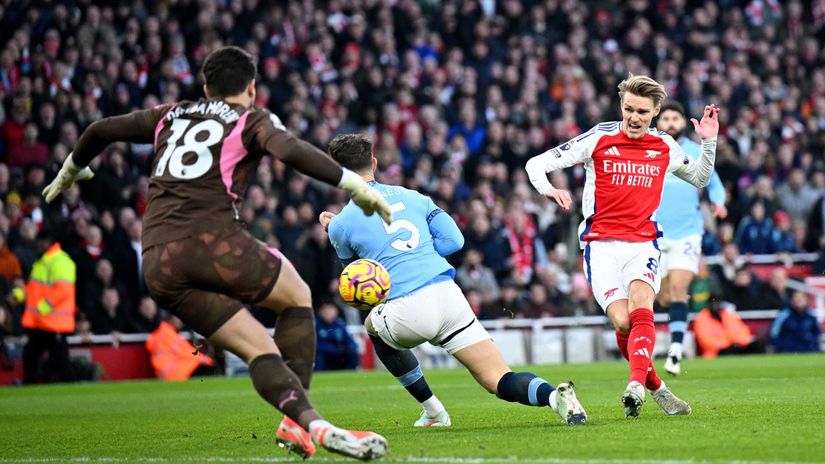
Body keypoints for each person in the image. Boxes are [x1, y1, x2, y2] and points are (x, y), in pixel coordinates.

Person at [40, 46, 392, 461]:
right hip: (214, 242)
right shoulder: (250, 118)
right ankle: (298, 423)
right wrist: (354, 185)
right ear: (252, 88)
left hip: (156, 260)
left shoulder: (170, 115)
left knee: (259, 347)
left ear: (206, 88)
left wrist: (69, 171)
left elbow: (100, 129)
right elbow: (290, 150)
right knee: (296, 296)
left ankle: (312, 425)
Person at [320, 134, 587, 427]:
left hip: (406, 310)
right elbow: (455, 240)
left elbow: (358, 284)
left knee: (371, 325)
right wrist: (419, 254)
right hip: (448, 295)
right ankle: (555, 397)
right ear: (374, 163)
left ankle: (434, 411)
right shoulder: (415, 197)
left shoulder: (341, 224)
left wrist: (332, 228)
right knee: (498, 378)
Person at [525, 74, 720, 418]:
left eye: (642, 112)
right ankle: (657, 388)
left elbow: (701, 179)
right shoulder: (599, 138)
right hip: (600, 245)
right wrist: (548, 190)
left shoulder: (664, 146)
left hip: (643, 241)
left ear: (656, 111)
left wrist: (708, 142)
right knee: (623, 323)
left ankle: (635, 386)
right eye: (628, 108)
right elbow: (536, 163)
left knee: (642, 303)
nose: (633, 117)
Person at [654, 100, 727, 376]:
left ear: (683, 122)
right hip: (654, 233)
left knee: (678, 291)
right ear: (658, 122)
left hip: (688, 232)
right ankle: (667, 340)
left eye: (675, 118)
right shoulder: (651, 149)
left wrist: (718, 202)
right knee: (659, 296)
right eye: (666, 118)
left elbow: (714, 182)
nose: (670, 122)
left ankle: (674, 351)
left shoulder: (696, 150)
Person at [20, 231, 77, 384]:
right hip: (43, 321)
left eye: (39, 242)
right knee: (31, 356)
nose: (37, 246)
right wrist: (18, 295)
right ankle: (29, 385)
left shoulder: (60, 261)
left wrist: (43, 308)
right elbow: (34, 289)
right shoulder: (42, 262)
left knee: (59, 360)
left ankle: (71, 387)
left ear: (47, 242)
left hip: (54, 321)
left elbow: (63, 290)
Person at [145, 314, 217, 381]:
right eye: (179, 318)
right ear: (171, 319)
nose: (181, 322)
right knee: (209, 370)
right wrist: (205, 359)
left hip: (168, 371)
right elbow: (186, 353)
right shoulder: (167, 335)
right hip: (175, 372)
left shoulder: (165, 333)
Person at [315, 303, 360, 371]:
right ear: (321, 312)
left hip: (340, 352)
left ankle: (352, 372)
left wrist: (349, 348)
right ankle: (319, 373)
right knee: (318, 354)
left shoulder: (340, 324)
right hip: (326, 353)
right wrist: (334, 349)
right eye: (325, 311)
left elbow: (349, 340)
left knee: (353, 352)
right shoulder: (316, 325)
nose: (328, 313)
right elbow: (316, 344)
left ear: (336, 311)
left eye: (330, 310)